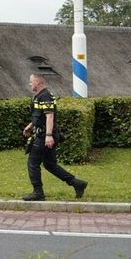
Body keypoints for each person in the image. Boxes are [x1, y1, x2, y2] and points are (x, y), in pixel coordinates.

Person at [21, 73, 87, 201]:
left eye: (31, 81)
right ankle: (77, 184)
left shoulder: (45, 96)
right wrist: (30, 126)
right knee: (50, 164)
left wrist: (48, 135)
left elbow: (49, 116)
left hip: (45, 136)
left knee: (32, 163)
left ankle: (38, 192)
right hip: (44, 134)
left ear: (38, 83)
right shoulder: (39, 96)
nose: (30, 84)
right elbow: (39, 115)